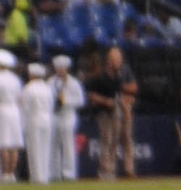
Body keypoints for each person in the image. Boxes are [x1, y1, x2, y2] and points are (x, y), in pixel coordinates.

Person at [89, 45, 137, 179]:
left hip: (117, 109)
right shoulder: (100, 76)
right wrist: (105, 101)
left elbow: (127, 90)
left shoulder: (120, 74)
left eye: (118, 60)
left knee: (119, 139)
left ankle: (118, 169)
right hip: (104, 111)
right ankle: (105, 169)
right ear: (108, 61)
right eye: (114, 60)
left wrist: (123, 102)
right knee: (108, 139)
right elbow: (91, 95)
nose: (117, 63)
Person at [51, 53, 83, 179]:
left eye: (63, 67)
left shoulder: (74, 83)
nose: (60, 70)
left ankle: (69, 173)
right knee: (54, 145)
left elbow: (80, 101)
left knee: (68, 145)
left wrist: (66, 102)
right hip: (55, 115)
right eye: (58, 67)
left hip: (68, 115)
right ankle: (54, 172)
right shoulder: (51, 82)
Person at [0, 50, 21, 180]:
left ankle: (4, 173)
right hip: (14, 110)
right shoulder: (15, 79)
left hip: (3, 109)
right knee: (14, 144)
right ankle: (11, 173)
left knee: (4, 143)